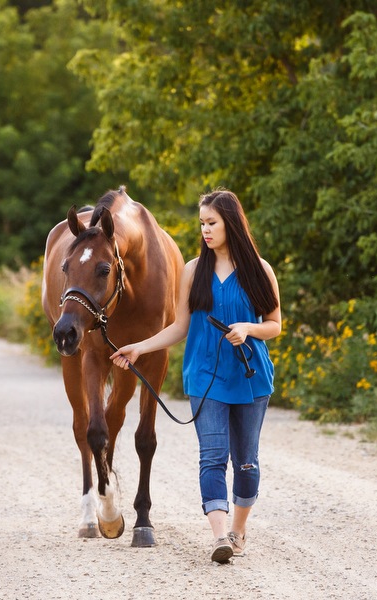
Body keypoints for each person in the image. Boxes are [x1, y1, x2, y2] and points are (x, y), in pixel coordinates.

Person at [111, 189, 281, 564]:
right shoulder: (192, 271)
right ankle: (220, 538)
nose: (205, 230)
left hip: (251, 377)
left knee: (247, 462)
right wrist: (140, 346)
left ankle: (238, 529)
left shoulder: (260, 270)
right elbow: (179, 327)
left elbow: (274, 324)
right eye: (202, 223)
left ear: (231, 223)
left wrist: (249, 330)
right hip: (205, 377)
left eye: (212, 223)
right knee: (212, 458)